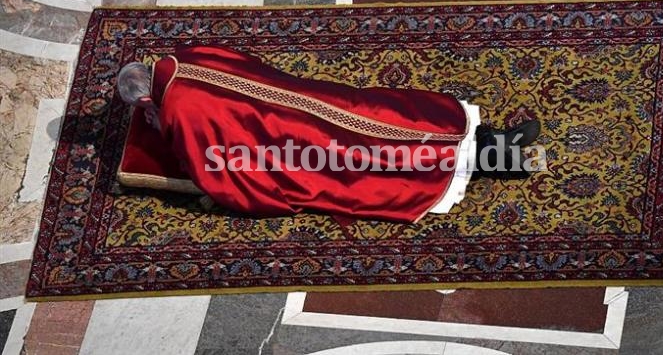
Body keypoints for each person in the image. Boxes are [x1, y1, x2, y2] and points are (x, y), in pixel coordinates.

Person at [117, 45, 540, 223]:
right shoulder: (184, 57)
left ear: (142, 102)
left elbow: (217, 170)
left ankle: (500, 153)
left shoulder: (178, 110)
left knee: (370, 159)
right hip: (296, 96)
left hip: (288, 136)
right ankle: (500, 148)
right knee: (384, 116)